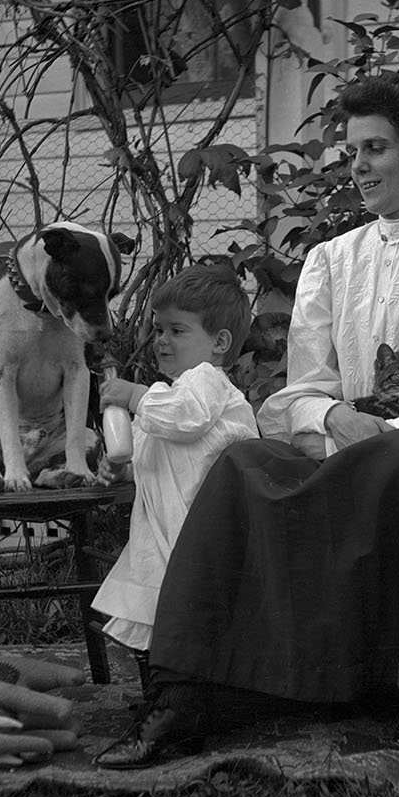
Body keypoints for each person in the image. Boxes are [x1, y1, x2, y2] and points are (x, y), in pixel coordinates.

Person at [94, 66, 399, 770]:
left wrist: (376, 435)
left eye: (376, 148)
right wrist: (335, 415)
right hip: (343, 446)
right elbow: (297, 395)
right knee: (245, 461)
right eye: (353, 148)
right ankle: (187, 692)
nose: (358, 165)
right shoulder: (333, 261)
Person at [89, 264, 259, 683]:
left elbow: (186, 418)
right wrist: (120, 468)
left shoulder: (208, 382)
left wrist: (133, 394)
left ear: (220, 343)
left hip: (205, 525)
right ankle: (161, 690)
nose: (161, 340)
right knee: (153, 610)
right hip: (163, 526)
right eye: (158, 329)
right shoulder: (167, 396)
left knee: (190, 613)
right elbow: (149, 450)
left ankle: (188, 692)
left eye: (177, 331)